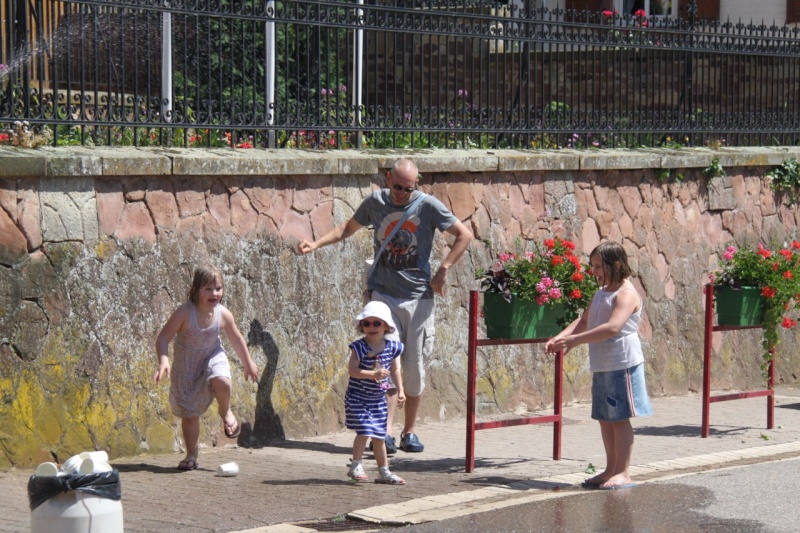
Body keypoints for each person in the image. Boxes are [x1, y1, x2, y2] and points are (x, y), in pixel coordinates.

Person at [298, 158, 473, 454]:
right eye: (397, 186)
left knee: (414, 369)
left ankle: (410, 431)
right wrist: (315, 245)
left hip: (418, 298)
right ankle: (386, 432)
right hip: (383, 297)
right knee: (387, 362)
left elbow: (464, 235)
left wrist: (443, 269)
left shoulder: (427, 205)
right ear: (387, 178)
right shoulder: (376, 202)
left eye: (408, 188)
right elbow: (346, 228)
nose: (402, 193)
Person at [545, 241, 652, 490]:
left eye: (598, 266)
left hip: (622, 363)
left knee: (619, 418)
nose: (593, 272)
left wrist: (574, 340)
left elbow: (612, 327)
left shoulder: (626, 294)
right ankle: (610, 470)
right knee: (605, 418)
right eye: (592, 266)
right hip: (603, 364)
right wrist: (562, 338)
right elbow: (584, 320)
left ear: (616, 264)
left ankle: (623, 472)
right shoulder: (602, 291)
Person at [154, 265, 259, 471]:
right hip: (187, 366)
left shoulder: (223, 314)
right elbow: (164, 337)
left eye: (218, 288)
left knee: (222, 379)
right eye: (208, 289)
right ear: (196, 290)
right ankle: (192, 455)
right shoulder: (185, 313)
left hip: (212, 355)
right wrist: (163, 360)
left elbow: (236, 338)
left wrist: (248, 362)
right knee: (190, 415)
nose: (214, 293)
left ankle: (226, 411)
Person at [345, 301, 406, 484]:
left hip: (378, 399)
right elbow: (352, 370)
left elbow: (395, 370)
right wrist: (373, 374)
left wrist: (401, 390)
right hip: (358, 397)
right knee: (364, 430)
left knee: (380, 436)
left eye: (377, 323)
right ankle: (355, 465)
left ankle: (384, 471)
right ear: (362, 326)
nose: (371, 327)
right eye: (367, 323)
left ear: (386, 326)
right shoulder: (359, 347)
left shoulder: (392, 347)